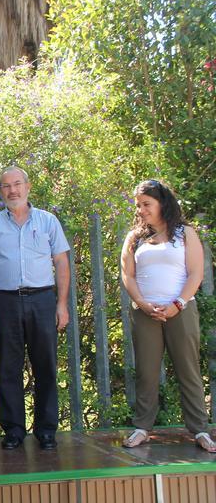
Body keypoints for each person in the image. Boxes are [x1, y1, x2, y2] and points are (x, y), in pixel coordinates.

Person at [0, 166, 69, 450]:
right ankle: (14, 431)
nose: (12, 190)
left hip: (42, 300)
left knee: (46, 366)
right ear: (0, 191)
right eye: (6, 186)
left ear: (28, 187)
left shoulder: (48, 221)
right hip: (5, 302)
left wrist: (61, 304)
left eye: (17, 184)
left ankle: (46, 430)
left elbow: (61, 262)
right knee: (8, 368)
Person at [120, 180, 216, 452]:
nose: (141, 210)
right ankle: (142, 428)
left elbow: (196, 273)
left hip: (181, 311)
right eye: (138, 205)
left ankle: (200, 430)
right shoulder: (135, 238)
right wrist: (142, 303)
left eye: (146, 204)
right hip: (145, 313)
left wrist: (178, 303)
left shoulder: (185, 233)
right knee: (146, 372)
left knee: (188, 370)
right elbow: (127, 275)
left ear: (162, 203)